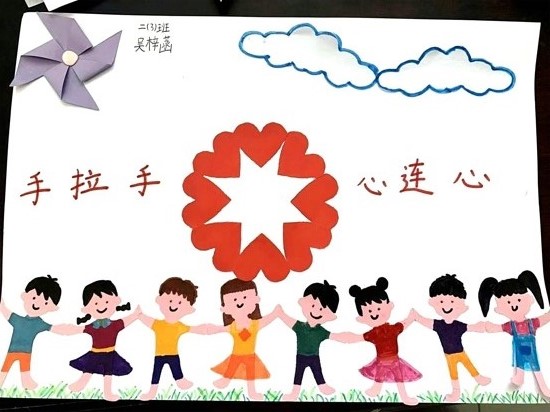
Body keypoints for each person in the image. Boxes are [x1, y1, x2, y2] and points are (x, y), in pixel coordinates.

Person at [412, 274, 490, 402]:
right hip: (449, 355)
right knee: (453, 374)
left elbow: (470, 327)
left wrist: (479, 327)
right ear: (433, 303)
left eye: (452, 301)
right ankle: (456, 392)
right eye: (441, 301)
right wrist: (417, 317)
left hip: (460, 352)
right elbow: (426, 322)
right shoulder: (439, 325)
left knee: (469, 365)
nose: (447, 306)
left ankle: (478, 378)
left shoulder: (458, 325)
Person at [275, 280, 356, 400]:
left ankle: (323, 387)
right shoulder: (300, 327)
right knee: (298, 374)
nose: (316, 311)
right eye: (313, 306)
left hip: (314, 357)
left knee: (318, 372)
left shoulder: (321, 331)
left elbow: (334, 336)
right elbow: (288, 320)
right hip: (301, 356)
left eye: (322, 309)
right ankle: (295, 393)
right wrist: (280, 313)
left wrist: (348, 337)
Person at [347, 277, 421, 406]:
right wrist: (346, 338)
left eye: (378, 308)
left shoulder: (392, 329)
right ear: (362, 317)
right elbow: (359, 337)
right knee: (380, 377)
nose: (374, 313)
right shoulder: (373, 333)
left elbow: (404, 324)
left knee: (399, 379)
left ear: (389, 306)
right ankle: (375, 391)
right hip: (381, 361)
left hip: (394, 360)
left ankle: (404, 397)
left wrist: (411, 317)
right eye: (369, 311)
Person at [478, 269, 550, 396]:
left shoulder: (531, 323)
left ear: (530, 300)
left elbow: (544, 318)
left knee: (535, 367)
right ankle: (519, 378)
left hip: (531, 349)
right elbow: (499, 328)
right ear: (499, 309)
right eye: (508, 302)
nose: (513, 305)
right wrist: (491, 327)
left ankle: (543, 387)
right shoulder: (511, 326)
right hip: (519, 349)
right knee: (520, 363)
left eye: (518, 300)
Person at [0, 275, 79, 389]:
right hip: (12, 350)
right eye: (34, 298)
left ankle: (26, 382)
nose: (37, 304)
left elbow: (54, 328)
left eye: (45, 303)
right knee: (6, 367)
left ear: (53, 308)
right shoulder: (18, 320)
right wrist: (2, 304)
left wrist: (69, 329)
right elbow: (5, 310)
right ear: (24, 296)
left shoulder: (39, 323)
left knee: (24, 369)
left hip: (26, 352)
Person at [68, 280, 141, 401]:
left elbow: (126, 320)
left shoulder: (114, 325)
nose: (101, 306)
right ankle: (80, 384)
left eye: (107, 302)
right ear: (86, 308)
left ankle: (108, 393)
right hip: (94, 353)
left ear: (116, 301)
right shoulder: (92, 326)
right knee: (88, 370)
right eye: (96, 303)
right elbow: (79, 329)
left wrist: (135, 314)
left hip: (110, 354)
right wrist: (68, 329)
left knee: (108, 374)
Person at [139, 277, 210, 400]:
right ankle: (152, 391)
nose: (173, 305)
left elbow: (192, 329)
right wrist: (139, 315)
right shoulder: (158, 324)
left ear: (189, 309)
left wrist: (203, 329)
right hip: (159, 355)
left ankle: (181, 381)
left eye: (180, 303)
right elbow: (146, 319)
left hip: (173, 354)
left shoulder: (179, 326)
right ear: (159, 300)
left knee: (176, 370)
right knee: (156, 374)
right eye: (170, 300)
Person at [206, 278, 278, 400]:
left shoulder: (255, 324)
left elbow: (268, 319)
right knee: (231, 368)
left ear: (256, 300)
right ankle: (225, 381)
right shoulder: (233, 326)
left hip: (250, 355)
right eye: (234, 300)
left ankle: (252, 392)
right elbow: (220, 329)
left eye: (245, 297)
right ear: (225, 308)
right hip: (236, 355)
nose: (240, 303)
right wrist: (212, 329)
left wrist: (276, 313)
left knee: (250, 374)